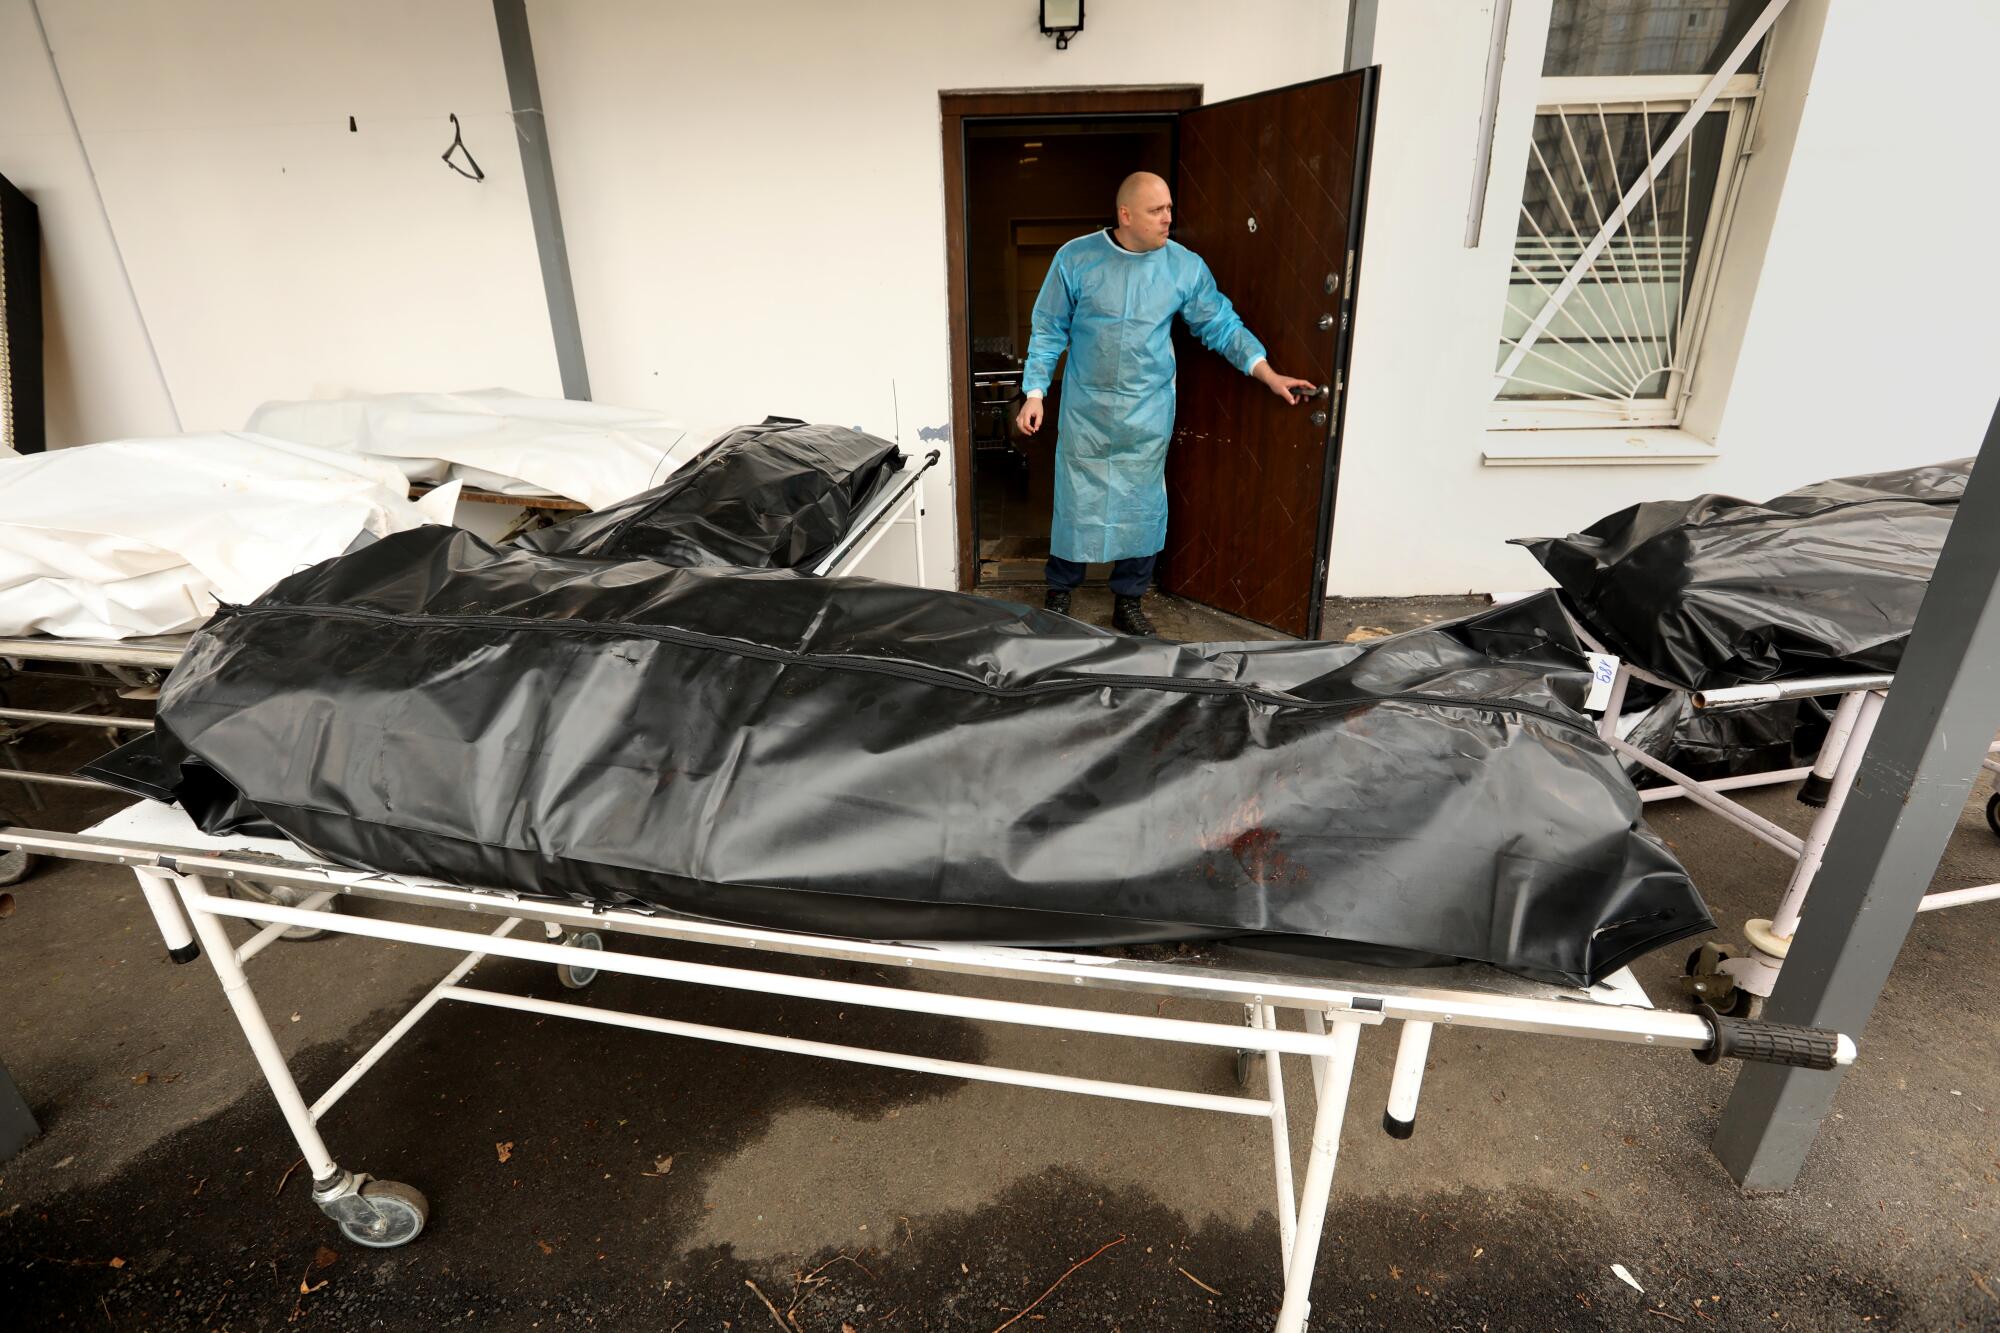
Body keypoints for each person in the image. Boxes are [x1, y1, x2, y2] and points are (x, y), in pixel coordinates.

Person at [1017, 171, 1315, 636]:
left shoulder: (1183, 267)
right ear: (1125, 215)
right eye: (1157, 211)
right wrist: (1035, 393)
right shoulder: (1075, 259)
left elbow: (1221, 324)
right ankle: (1061, 590)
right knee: (1076, 500)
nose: (1168, 219)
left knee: (1142, 504)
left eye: (1170, 209)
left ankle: (1129, 599)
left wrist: (1268, 373)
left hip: (1147, 409)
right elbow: (1048, 327)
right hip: (1087, 410)